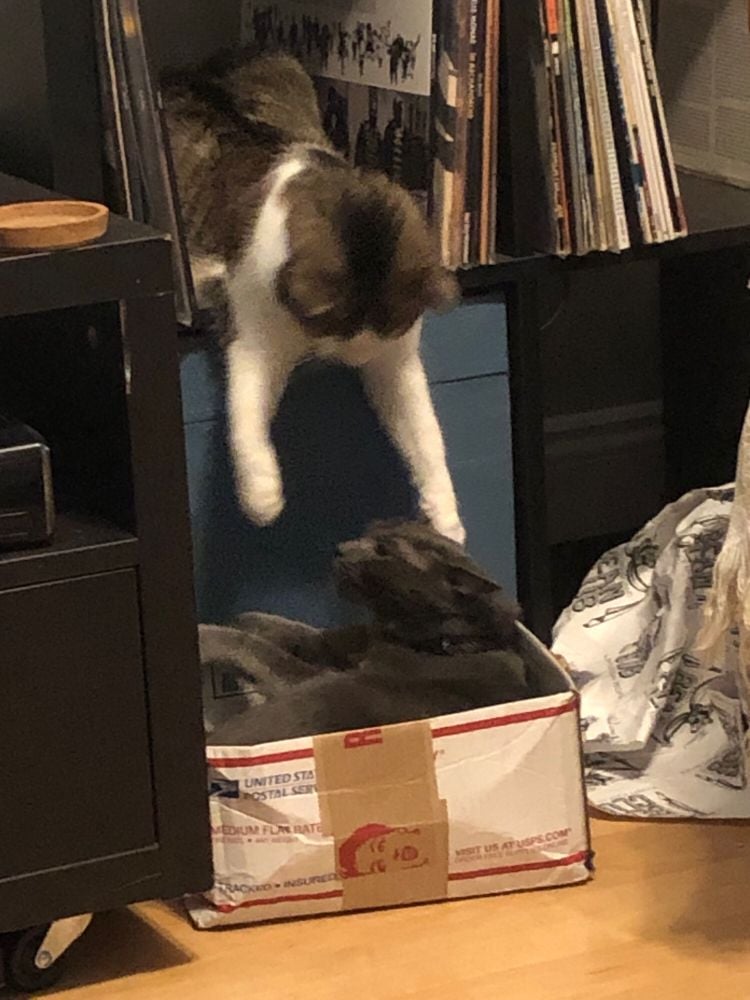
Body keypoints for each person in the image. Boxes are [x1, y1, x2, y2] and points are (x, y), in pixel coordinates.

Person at [354, 91, 383, 171]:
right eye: (372, 115)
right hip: (365, 164)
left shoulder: (377, 132)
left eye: (375, 116)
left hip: (374, 165)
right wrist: (358, 164)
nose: (374, 118)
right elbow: (360, 147)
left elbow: (379, 149)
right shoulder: (364, 130)